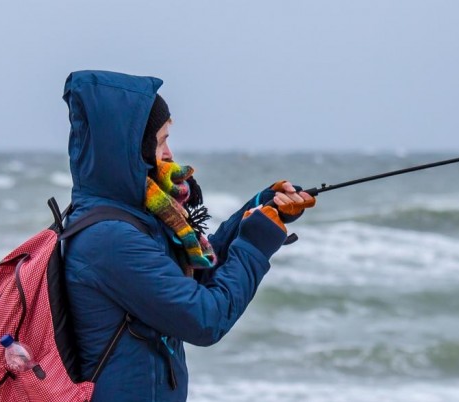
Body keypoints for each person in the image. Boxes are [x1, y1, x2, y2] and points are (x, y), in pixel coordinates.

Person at [61, 70, 314, 401]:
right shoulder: (111, 239)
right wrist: (254, 245)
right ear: (129, 148)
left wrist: (257, 212)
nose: (169, 154)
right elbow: (205, 319)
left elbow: (194, 278)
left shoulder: (131, 217)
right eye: (162, 140)